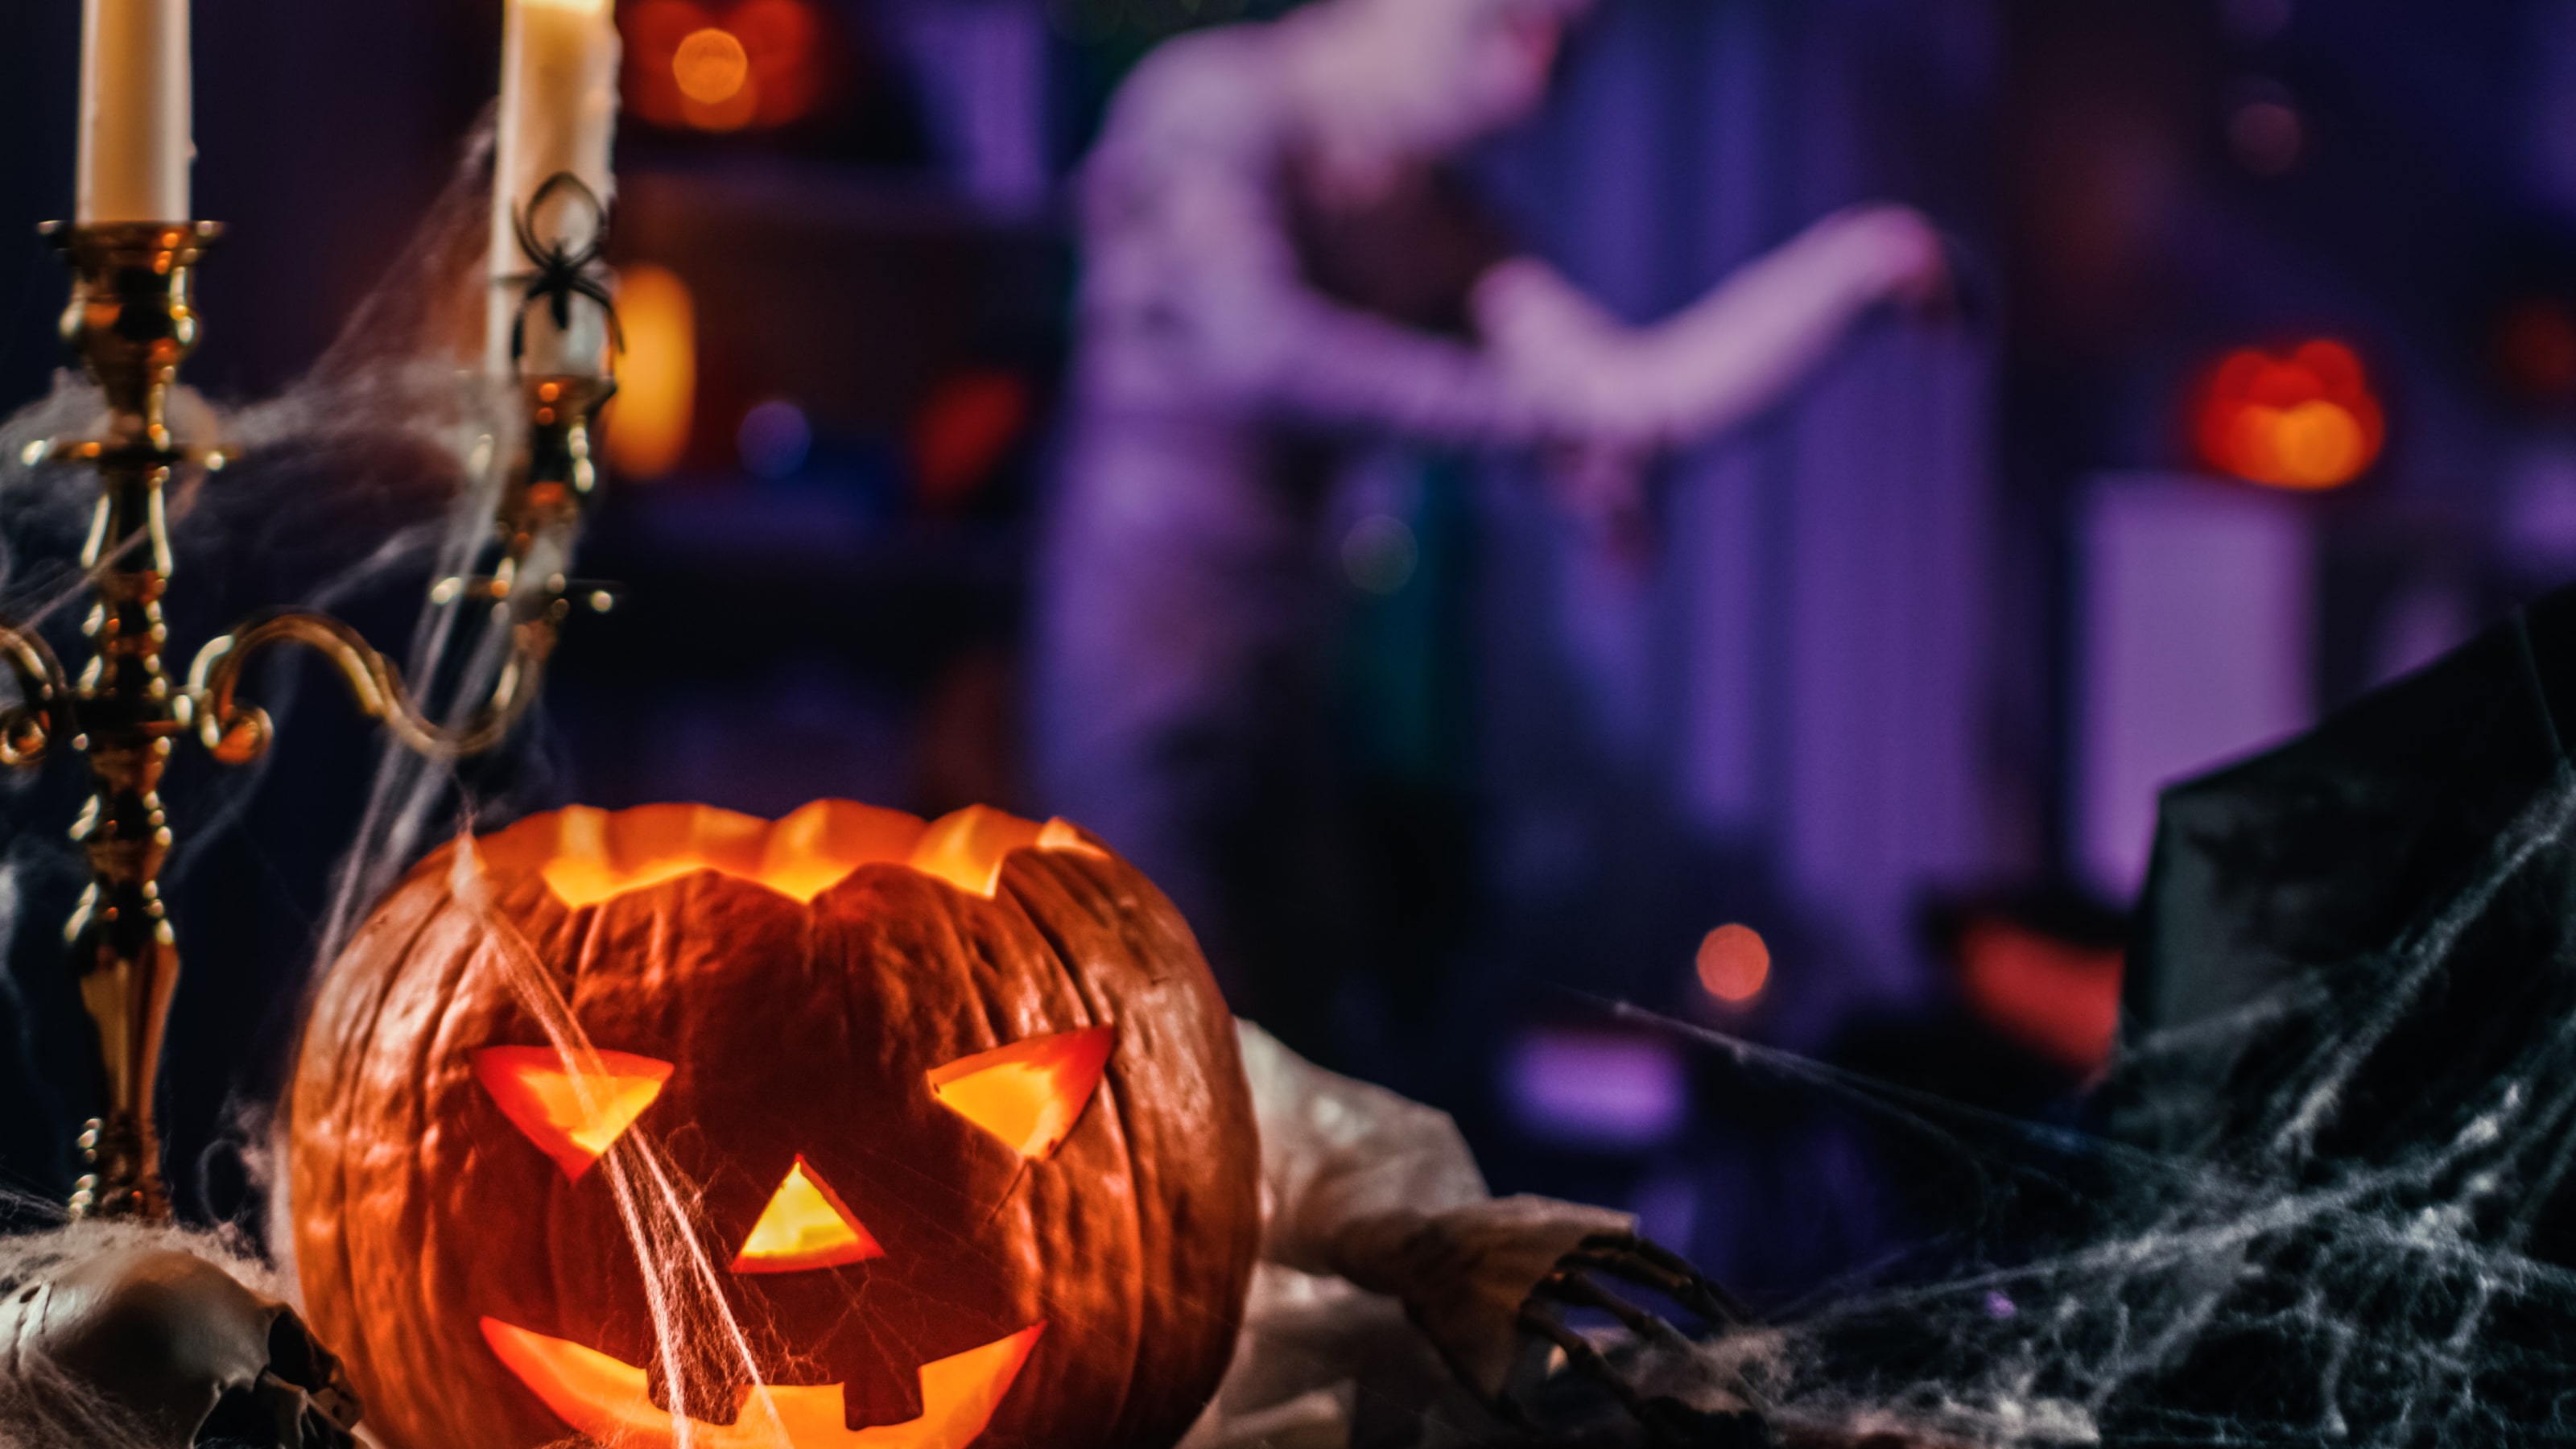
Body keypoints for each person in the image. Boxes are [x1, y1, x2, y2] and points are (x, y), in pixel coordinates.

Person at [1032, 0, 1951, 1062]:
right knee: (1144, 1019)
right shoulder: (1212, 105)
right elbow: (1257, 344)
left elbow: (1630, 394)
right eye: (1517, 31)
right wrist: (1536, 424)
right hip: (1144, 642)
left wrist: (1856, 267)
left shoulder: (1432, 218)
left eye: (1566, 54)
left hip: (1286, 664)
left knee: (1295, 1024)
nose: (1530, 91)